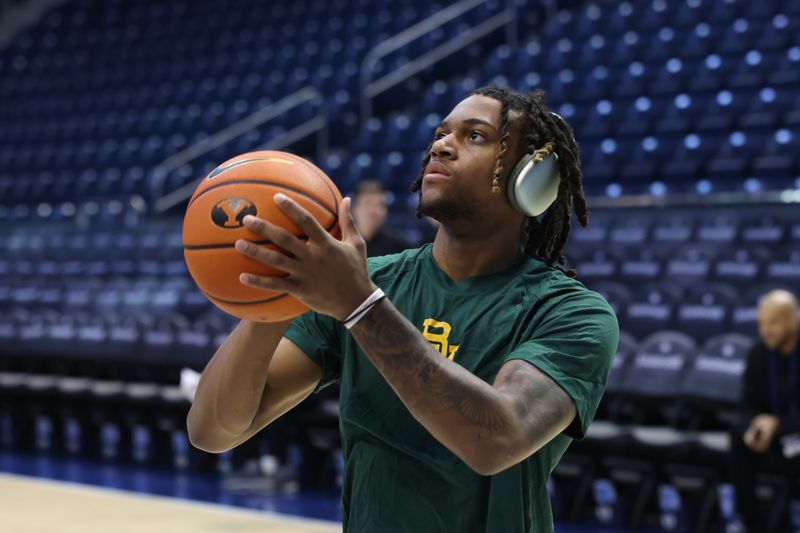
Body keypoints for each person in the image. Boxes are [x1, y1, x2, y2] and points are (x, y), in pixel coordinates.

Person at [187, 85, 619, 533]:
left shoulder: (572, 314)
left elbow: (496, 439)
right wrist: (275, 295)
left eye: (475, 136)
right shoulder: (369, 283)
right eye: (440, 132)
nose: (441, 145)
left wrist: (360, 306)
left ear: (531, 179)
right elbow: (213, 431)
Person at [731, 289, 800, 531]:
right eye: (762, 323)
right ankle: (749, 522)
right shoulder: (759, 353)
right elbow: (746, 402)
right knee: (738, 440)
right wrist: (754, 424)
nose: (765, 331)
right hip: (774, 436)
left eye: (773, 323)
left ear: (793, 320)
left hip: (795, 434)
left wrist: (778, 424)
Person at [350, 180, 410, 257]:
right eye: (367, 204)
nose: (374, 211)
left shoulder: (399, 246)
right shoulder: (343, 243)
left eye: (380, 205)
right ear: (354, 209)